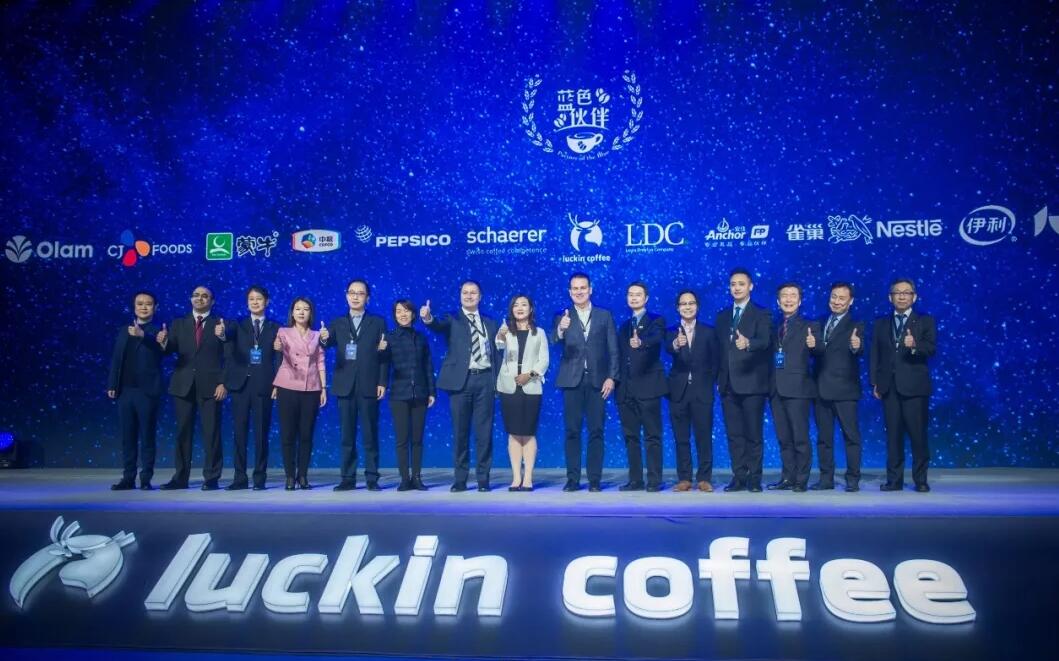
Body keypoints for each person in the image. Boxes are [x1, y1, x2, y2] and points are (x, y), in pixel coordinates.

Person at [422, 280, 499, 492]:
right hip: (461, 382)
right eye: (465, 292)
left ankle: (483, 479)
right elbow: (437, 325)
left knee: (484, 433)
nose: (469, 296)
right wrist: (427, 318)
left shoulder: (490, 322)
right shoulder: (452, 318)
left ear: (480, 297)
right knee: (460, 433)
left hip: (485, 380)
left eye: (473, 292)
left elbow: (496, 352)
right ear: (460, 296)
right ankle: (460, 479)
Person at [551, 272, 618, 492]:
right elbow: (555, 339)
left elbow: (613, 349)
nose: (579, 291)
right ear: (570, 292)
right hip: (572, 381)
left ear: (590, 289)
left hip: (598, 381)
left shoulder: (604, 315)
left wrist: (612, 377)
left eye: (583, 288)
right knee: (572, 431)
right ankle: (572, 479)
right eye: (575, 288)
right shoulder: (562, 316)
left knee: (596, 431)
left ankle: (594, 480)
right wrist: (561, 328)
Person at [870, 278, 937, 492]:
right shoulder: (881, 323)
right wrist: (875, 382)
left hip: (915, 389)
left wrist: (915, 345)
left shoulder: (925, 321)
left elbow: (931, 349)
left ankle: (920, 480)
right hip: (889, 388)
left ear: (914, 297)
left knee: (918, 436)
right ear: (890, 297)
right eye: (897, 293)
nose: (901, 296)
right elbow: (875, 355)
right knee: (893, 437)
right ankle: (894, 480)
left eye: (906, 293)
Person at [159, 286, 228, 490]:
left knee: (211, 433)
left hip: (211, 387)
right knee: (183, 433)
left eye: (205, 296)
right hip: (183, 385)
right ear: (191, 299)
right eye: (196, 295)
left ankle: (212, 477)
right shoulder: (179, 324)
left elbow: (229, 356)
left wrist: (223, 382)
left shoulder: (220, 324)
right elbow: (169, 349)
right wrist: (163, 341)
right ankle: (180, 478)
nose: (200, 298)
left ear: (212, 301)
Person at [323, 279, 388, 491]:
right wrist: (323, 338)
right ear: (346, 296)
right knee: (346, 436)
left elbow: (384, 356)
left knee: (370, 434)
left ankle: (372, 478)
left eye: (360, 293)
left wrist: (382, 382)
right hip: (345, 385)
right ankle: (347, 478)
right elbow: (326, 343)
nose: (355, 296)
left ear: (368, 298)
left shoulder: (377, 322)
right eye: (352, 292)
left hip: (369, 384)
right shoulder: (337, 323)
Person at [715, 268, 772, 493]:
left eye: (741, 284)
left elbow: (765, 341)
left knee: (753, 434)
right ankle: (739, 476)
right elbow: (718, 351)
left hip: (752, 384)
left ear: (751, 286)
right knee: (734, 435)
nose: (736, 288)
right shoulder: (722, 316)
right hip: (728, 385)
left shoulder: (761, 313)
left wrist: (749, 343)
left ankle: (754, 478)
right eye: (733, 284)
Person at [106, 291, 165, 491]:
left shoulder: (159, 330)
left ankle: (146, 478)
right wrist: (113, 384)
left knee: (147, 436)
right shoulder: (124, 330)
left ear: (155, 307)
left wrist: (144, 335)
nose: (144, 307)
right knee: (128, 436)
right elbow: (117, 359)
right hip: (125, 391)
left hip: (147, 392)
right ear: (134, 306)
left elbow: (162, 349)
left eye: (148, 304)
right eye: (140, 303)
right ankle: (128, 477)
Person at [223, 285, 279, 490]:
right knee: (239, 434)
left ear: (267, 302)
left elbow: (279, 359)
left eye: (259, 299)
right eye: (251, 299)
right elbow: (227, 345)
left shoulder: (275, 327)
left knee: (261, 435)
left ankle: (259, 478)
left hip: (264, 385)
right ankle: (239, 478)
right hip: (240, 386)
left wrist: (277, 384)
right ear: (247, 303)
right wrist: (221, 333)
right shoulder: (237, 325)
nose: (255, 302)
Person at [768, 282, 821, 493]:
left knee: (800, 437)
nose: (788, 299)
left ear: (800, 300)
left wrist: (814, 345)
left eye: (793, 295)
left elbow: (820, 351)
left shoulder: (809, 325)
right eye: (784, 295)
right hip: (776, 389)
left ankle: (801, 479)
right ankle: (787, 477)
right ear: (778, 301)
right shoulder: (774, 326)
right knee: (784, 438)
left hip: (798, 389)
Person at [665, 290, 720, 493]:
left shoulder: (709, 331)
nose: (687, 307)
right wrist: (676, 344)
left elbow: (716, 361)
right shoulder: (671, 331)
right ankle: (684, 478)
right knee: (681, 437)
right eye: (683, 304)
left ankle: (704, 478)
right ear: (677, 308)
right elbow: (668, 348)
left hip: (702, 391)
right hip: (678, 392)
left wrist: (712, 382)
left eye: (691, 303)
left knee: (703, 436)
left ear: (697, 306)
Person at [616, 281, 668, 492]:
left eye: (638, 294)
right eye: (630, 294)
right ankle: (635, 479)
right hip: (626, 389)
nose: (634, 297)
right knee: (631, 437)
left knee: (652, 435)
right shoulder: (624, 326)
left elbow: (657, 338)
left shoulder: (656, 320)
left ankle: (654, 479)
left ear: (646, 298)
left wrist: (641, 342)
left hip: (648, 387)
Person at [813, 282, 865, 492]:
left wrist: (856, 346)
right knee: (824, 438)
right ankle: (826, 479)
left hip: (845, 390)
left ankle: (853, 479)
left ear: (850, 301)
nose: (836, 301)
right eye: (834, 297)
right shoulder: (819, 321)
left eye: (842, 298)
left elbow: (860, 348)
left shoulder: (856, 324)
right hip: (820, 389)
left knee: (851, 437)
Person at [495, 294, 550, 492]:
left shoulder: (539, 333)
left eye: (524, 305)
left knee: (528, 432)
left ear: (530, 309)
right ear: (511, 310)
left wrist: (530, 374)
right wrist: (501, 336)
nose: (519, 308)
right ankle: (516, 477)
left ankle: (528, 478)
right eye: (516, 305)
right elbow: (499, 345)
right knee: (513, 433)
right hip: (508, 386)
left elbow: (544, 360)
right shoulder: (505, 331)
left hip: (531, 386)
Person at [272, 297, 327, 490]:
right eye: (297, 309)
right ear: (292, 313)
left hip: (310, 387)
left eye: (305, 309)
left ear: (311, 313)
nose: (301, 312)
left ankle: (302, 475)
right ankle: (289, 476)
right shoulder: (283, 332)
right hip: (287, 386)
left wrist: (323, 388)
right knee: (288, 434)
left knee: (306, 434)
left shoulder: (316, 335)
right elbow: (278, 355)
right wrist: (277, 347)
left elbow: (320, 362)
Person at [386, 299, 436, 491]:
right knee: (402, 439)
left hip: (420, 393)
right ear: (395, 315)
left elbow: (428, 366)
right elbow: (383, 365)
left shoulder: (421, 337)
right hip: (399, 393)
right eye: (399, 311)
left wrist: (432, 392)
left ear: (413, 314)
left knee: (417, 439)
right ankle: (404, 479)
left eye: (406, 311)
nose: (403, 314)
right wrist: (380, 351)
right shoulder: (389, 338)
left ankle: (416, 477)